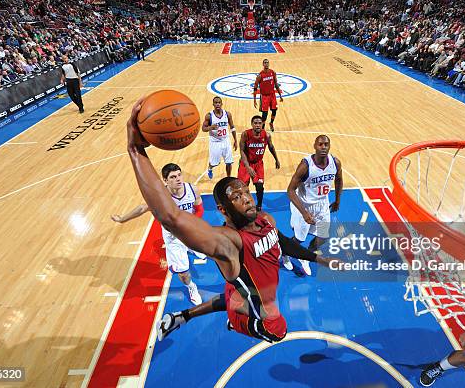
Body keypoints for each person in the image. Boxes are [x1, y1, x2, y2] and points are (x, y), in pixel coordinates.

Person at [125, 96, 335, 343]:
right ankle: (236, 324)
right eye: (237, 196)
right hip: (255, 298)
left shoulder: (264, 218)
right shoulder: (227, 243)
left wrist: (317, 258)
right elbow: (171, 217)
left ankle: (181, 317)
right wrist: (135, 150)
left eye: (245, 191)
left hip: (240, 287)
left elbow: (282, 241)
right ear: (223, 210)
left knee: (233, 297)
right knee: (277, 331)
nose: (246, 198)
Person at [111, 163, 204, 305]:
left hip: (190, 231)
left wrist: (192, 224)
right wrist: (123, 219)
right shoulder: (160, 196)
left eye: (179, 175)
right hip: (173, 237)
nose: (178, 179)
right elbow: (142, 208)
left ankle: (191, 248)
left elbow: (199, 208)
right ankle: (191, 287)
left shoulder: (192, 189)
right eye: (173, 177)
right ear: (165, 181)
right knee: (183, 273)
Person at [285, 135, 343, 276]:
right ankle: (285, 253)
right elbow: (290, 190)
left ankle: (306, 256)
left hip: (322, 204)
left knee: (323, 236)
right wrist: (304, 213)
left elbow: (339, 180)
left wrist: (337, 200)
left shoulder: (335, 163)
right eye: (320, 144)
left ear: (329, 146)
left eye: (326, 144)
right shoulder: (306, 165)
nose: (323, 147)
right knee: (299, 239)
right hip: (304, 205)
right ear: (315, 146)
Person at [238, 115, 280, 211]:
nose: (257, 125)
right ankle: (242, 207)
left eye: (259, 123)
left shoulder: (267, 135)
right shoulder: (245, 134)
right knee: (242, 188)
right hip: (245, 164)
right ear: (252, 124)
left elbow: (271, 147)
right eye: (255, 123)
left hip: (258, 164)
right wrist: (248, 167)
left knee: (260, 187)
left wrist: (276, 159)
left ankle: (259, 206)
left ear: (262, 124)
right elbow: (242, 151)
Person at [202, 97, 238, 179]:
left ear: (221, 104)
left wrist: (235, 140)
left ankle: (228, 178)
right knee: (214, 163)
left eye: (219, 102)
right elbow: (203, 128)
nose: (217, 104)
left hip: (225, 140)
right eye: (215, 102)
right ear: (213, 104)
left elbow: (232, 127)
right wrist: (210, 127)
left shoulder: (227, 114)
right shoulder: (209, 116)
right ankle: (210, 168)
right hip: (215, 141)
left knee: (229, 162)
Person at [253, 59, 283, 132]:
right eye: (265, 63)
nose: (266, 64)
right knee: (264, 115)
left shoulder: (273, 73)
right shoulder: (260, 75)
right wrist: (254, 100)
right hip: (264, 96)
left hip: (272, 95)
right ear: (263, 64)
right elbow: (255, 87)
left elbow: (276, 84)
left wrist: (280, 95)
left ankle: (271, 123)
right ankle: (262, 129)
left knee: (274, 110)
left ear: (269, 64)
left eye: (267, 62)